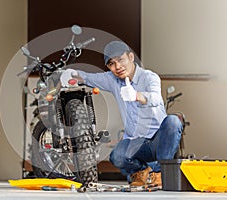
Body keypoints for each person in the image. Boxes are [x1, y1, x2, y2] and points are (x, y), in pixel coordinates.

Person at [60, 41, 183, 186]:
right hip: (136, 142)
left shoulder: (149, 77)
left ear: (130, 57)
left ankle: (159, 174)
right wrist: (71, 74)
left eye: (120, 60)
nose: (117, 66)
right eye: (111, 63)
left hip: (158, 140)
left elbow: (155, 98)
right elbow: (87, 78)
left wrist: (137, 95)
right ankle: (141, 173)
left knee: (173, 121)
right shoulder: (112, 80)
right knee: (117, 156)